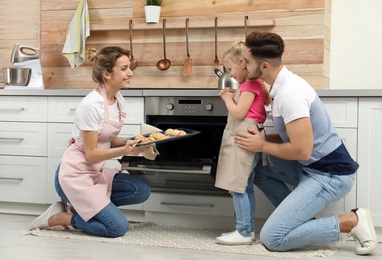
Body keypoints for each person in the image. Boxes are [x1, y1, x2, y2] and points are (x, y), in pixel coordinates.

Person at [235, 31, 378, 255]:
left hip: (330, 175)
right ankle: (298, 221)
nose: (242, 64)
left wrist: (261, 146)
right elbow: (292, 138)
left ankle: (350, 221)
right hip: (312, 167)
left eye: (246, 61)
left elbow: (302, 149)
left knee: (273, 238)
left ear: (263, 66)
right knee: (258, 169)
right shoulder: (279, 86)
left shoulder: (290, 93)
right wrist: (260, 139)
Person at [29, 46, 151, 238]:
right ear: (107, 74)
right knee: (117, 228)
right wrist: (125, 150)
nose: (130, 73)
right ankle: (62, 217)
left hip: (94, 173)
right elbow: (92, 153)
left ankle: (87, 209)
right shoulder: (91, 105)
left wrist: (136, 141)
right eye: (124, 68)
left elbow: (106, 140)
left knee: (141, 189)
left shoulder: (118, 98)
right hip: (74, 177)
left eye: (129, 68)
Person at [214, 40, 270, 245]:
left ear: (241, 62)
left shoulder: (249, 85)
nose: (230, 74)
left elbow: (239, 113)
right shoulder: (254, 85)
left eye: (230, 69)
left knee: (238, 187)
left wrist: (228, 99)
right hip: (247, 135)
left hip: (244, 135)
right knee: (243, 186)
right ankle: (246, 230)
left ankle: (244, 231)